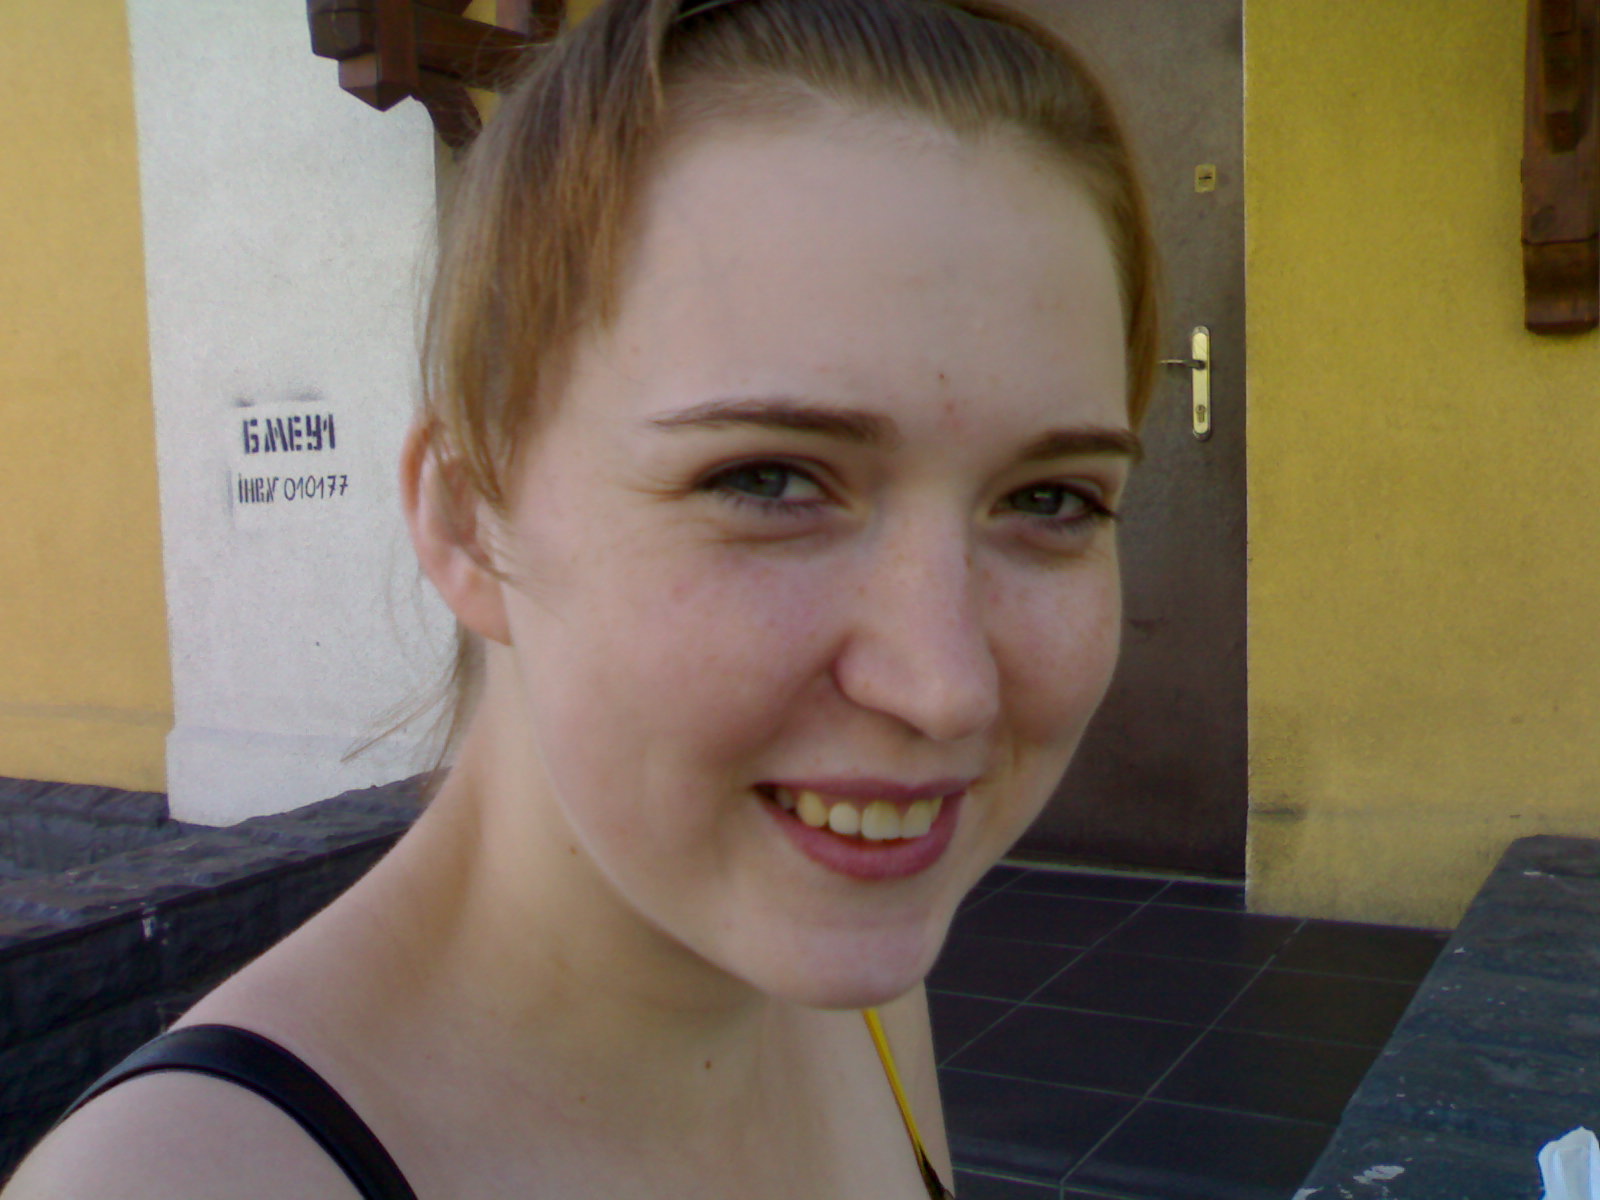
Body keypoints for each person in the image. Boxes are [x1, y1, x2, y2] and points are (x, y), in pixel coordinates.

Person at [3, 0, 1156, 1195]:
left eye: (1053, 500)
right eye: (766, 480)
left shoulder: (850, 991)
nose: (945, 685)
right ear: (468, 519)